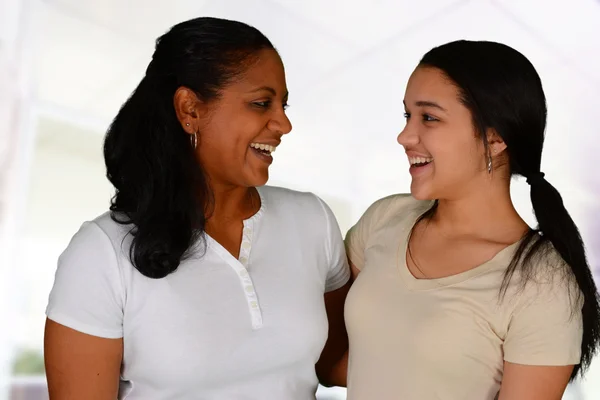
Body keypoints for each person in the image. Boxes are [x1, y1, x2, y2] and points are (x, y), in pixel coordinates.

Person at [43, 17, 350, 399]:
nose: (284, 124)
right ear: (190, 109)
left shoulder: (312, 221)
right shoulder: (102, 252)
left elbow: (335, 362)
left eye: (283, 105)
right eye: (261, 103)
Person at [343, 40, 600, 399]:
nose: (404, 136)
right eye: (407, 116)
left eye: (429, 117)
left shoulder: (543, 284)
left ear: (495, 138)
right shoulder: (385, 219)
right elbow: (338, 362)